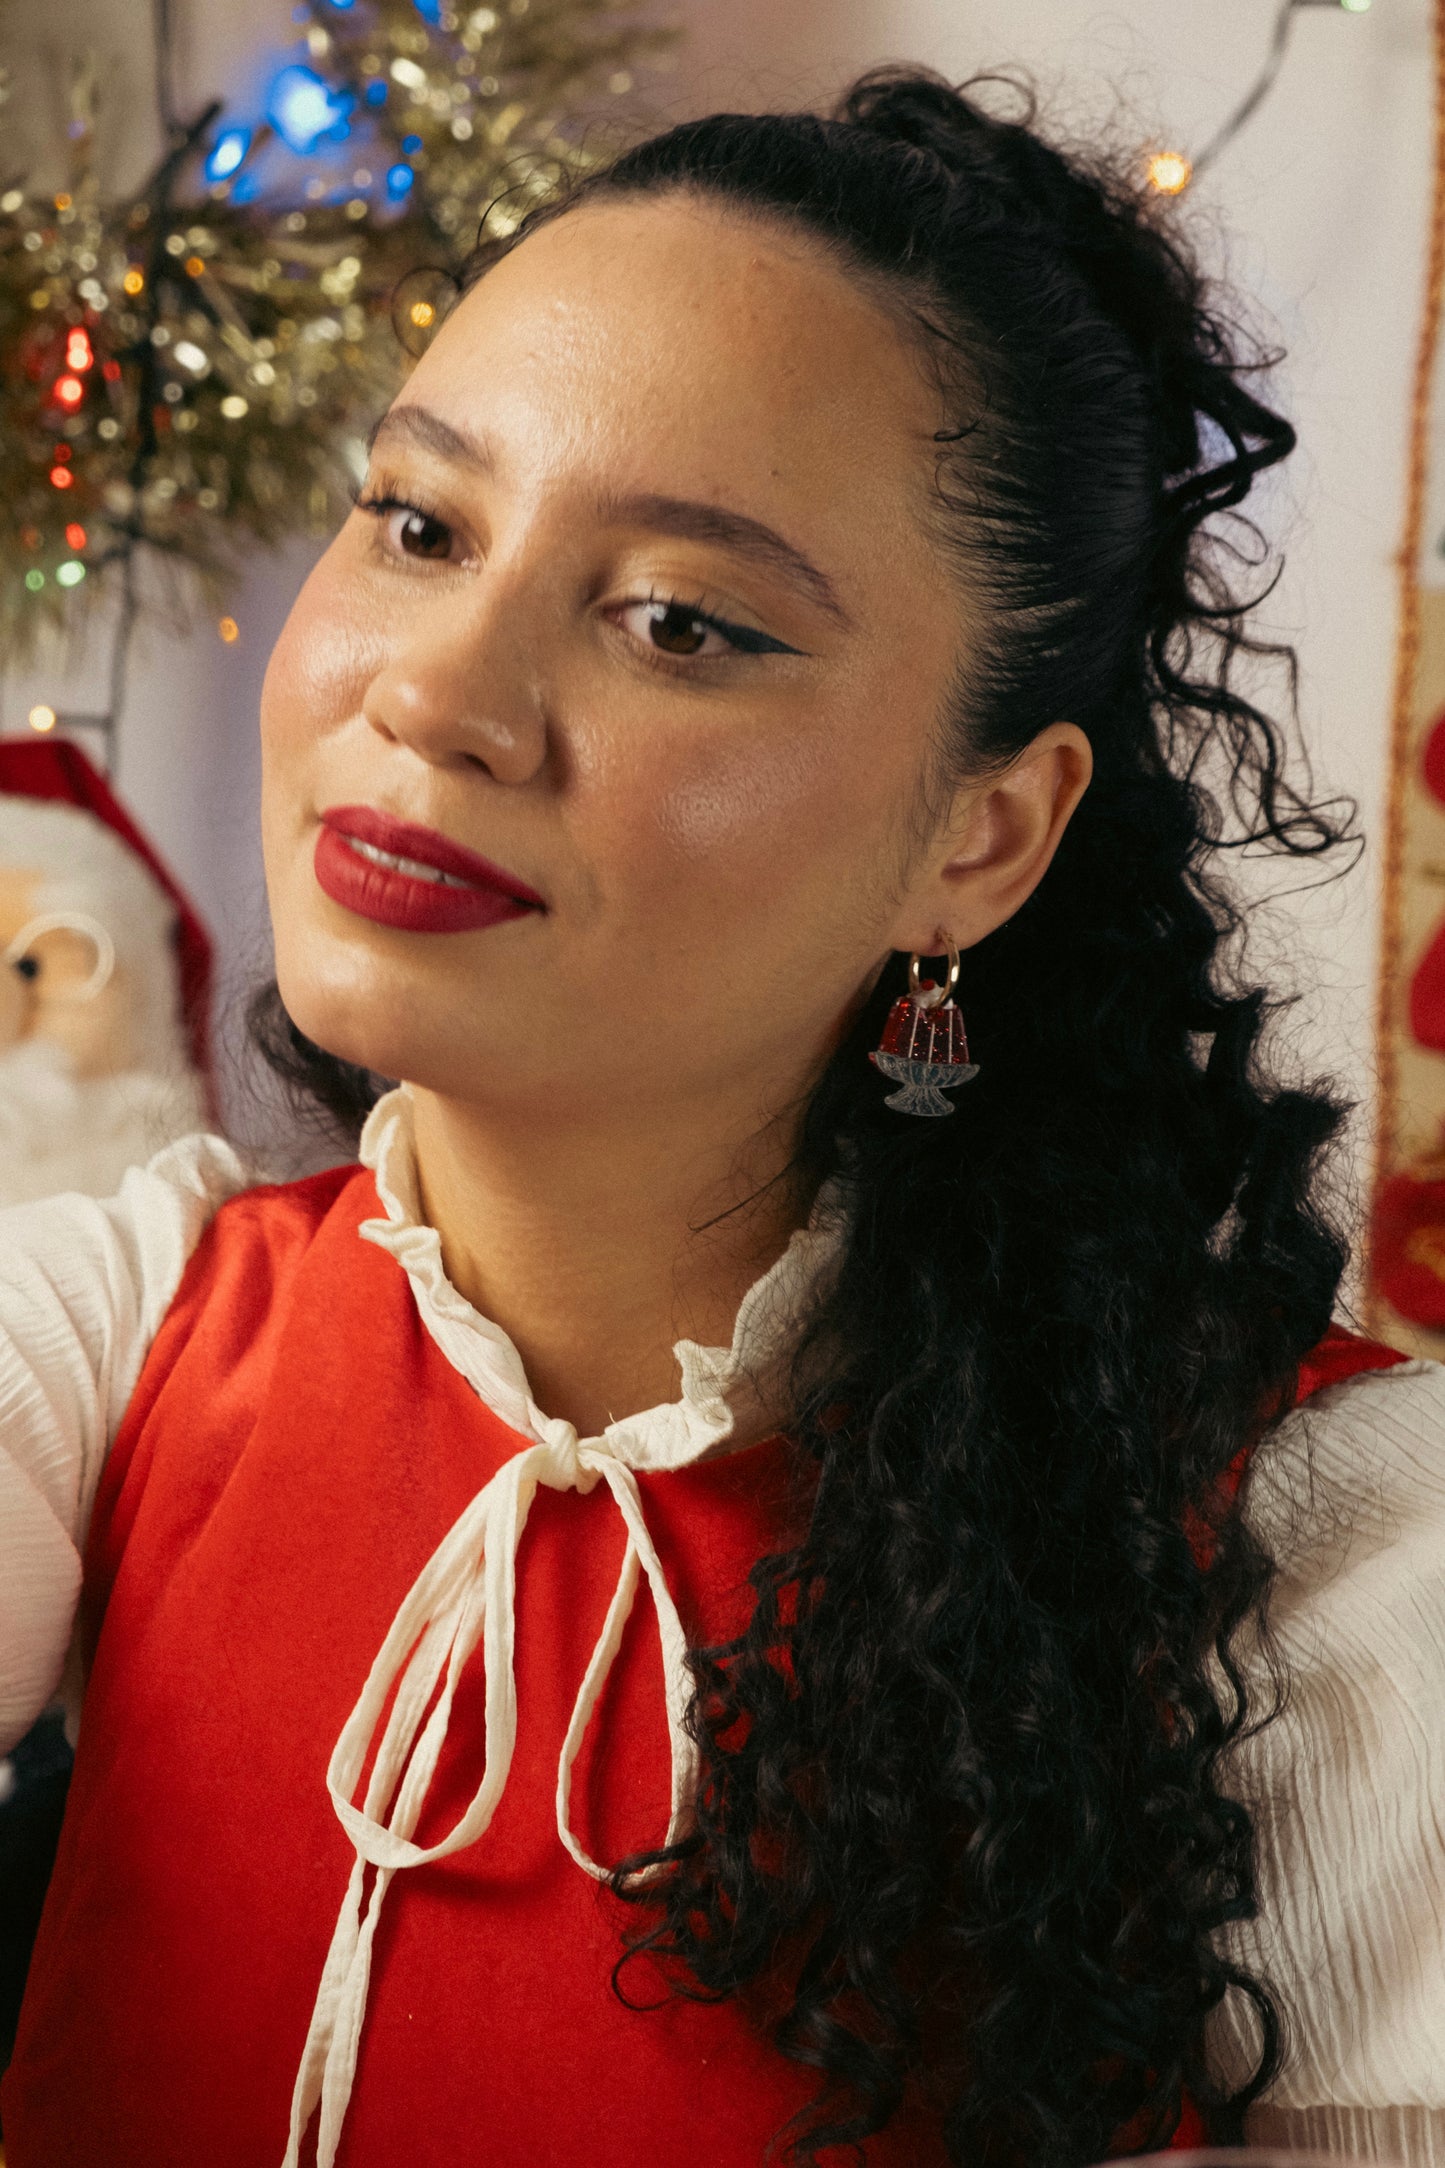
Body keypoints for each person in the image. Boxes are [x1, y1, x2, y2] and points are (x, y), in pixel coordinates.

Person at [0, 67, 1440, 2168]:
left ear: (983, 833)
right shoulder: (113, 1337)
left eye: (681, 619)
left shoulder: (1335, 1560)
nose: (434, 693)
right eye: (419, 522)